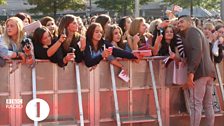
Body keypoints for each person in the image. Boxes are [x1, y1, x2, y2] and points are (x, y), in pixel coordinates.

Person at [178, 15, 216, 126]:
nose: (179, 24)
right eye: (178, 22)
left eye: (182, 22)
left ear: (189, 22)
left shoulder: (192, 32)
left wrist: (191, 73)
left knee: (195, 105)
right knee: (208, 105)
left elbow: (196, 52)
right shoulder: (197, 32)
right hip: (209, 73)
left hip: (199, 73)